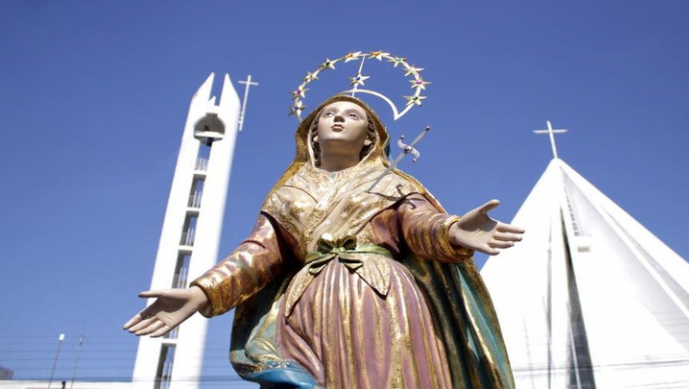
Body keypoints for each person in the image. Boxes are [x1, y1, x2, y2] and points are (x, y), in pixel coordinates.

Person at [125, 94, 524, 388]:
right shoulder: (287, 193)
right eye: (328, 114)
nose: (338, 118)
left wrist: (451, 230)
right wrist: (200, 294)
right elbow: (258, 253)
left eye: (352, 115)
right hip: (308, 304)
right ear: (313, 134)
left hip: (382, 296)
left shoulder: (392, 182)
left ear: (369, 138)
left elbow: (420, 224)